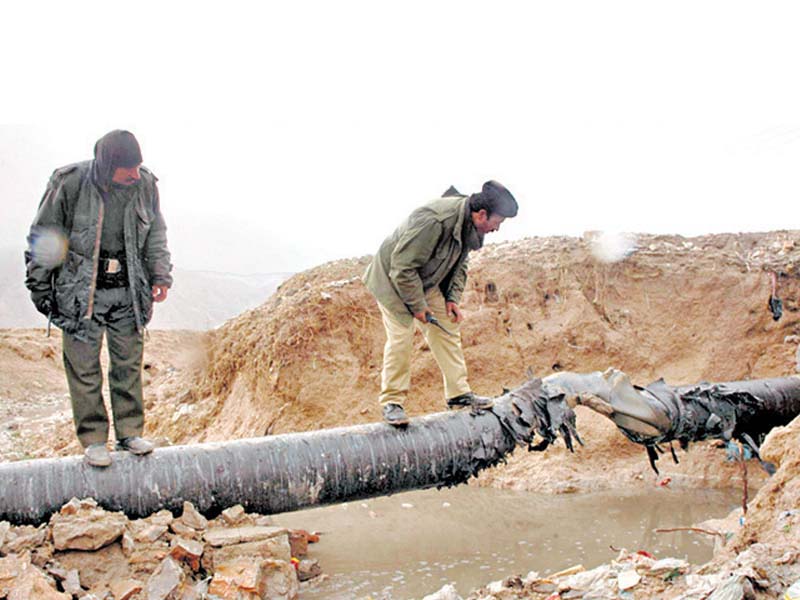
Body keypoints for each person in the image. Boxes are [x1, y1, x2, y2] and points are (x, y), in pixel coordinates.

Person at [25, 130, 173, 467]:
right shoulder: (70, 182)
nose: (135, 174)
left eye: (138, 167)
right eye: (128, 169)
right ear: (108, 166)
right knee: (84, 369)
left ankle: (129, 433)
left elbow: (156, 233)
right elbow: (46, 235)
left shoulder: (146, 185)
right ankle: (93, 440)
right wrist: (40, 285)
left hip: (128, 292)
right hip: (81, 293)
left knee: (127, 365)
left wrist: (161, 275)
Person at [363, 180, 518, 426]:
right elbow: (402, 268)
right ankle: (392, 402)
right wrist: (418, 307)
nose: (497, 229)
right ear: (481, 215)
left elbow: (459, 262)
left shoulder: (469, 225)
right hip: (392, 280)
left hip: (425, 279)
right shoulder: (435, 220)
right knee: (401, 339)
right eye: (497, 223)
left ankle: (458, 395)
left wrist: (451, 298)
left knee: (446, 327)